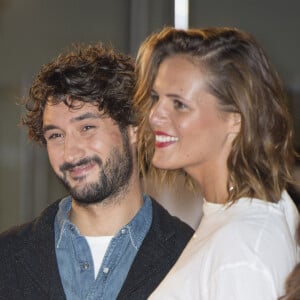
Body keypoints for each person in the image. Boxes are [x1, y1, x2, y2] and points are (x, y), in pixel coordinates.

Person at [0, 43, 194, 300]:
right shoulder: (7, 257)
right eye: (56, 135)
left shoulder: (191, 256)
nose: (70, 153)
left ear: (134, 129)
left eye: (87, 128)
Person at [134, 26, 300, 299]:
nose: (154, 116)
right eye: (156, 98)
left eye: (179, 104)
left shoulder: (242, 248)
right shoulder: (244, 211)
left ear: (235, 118)